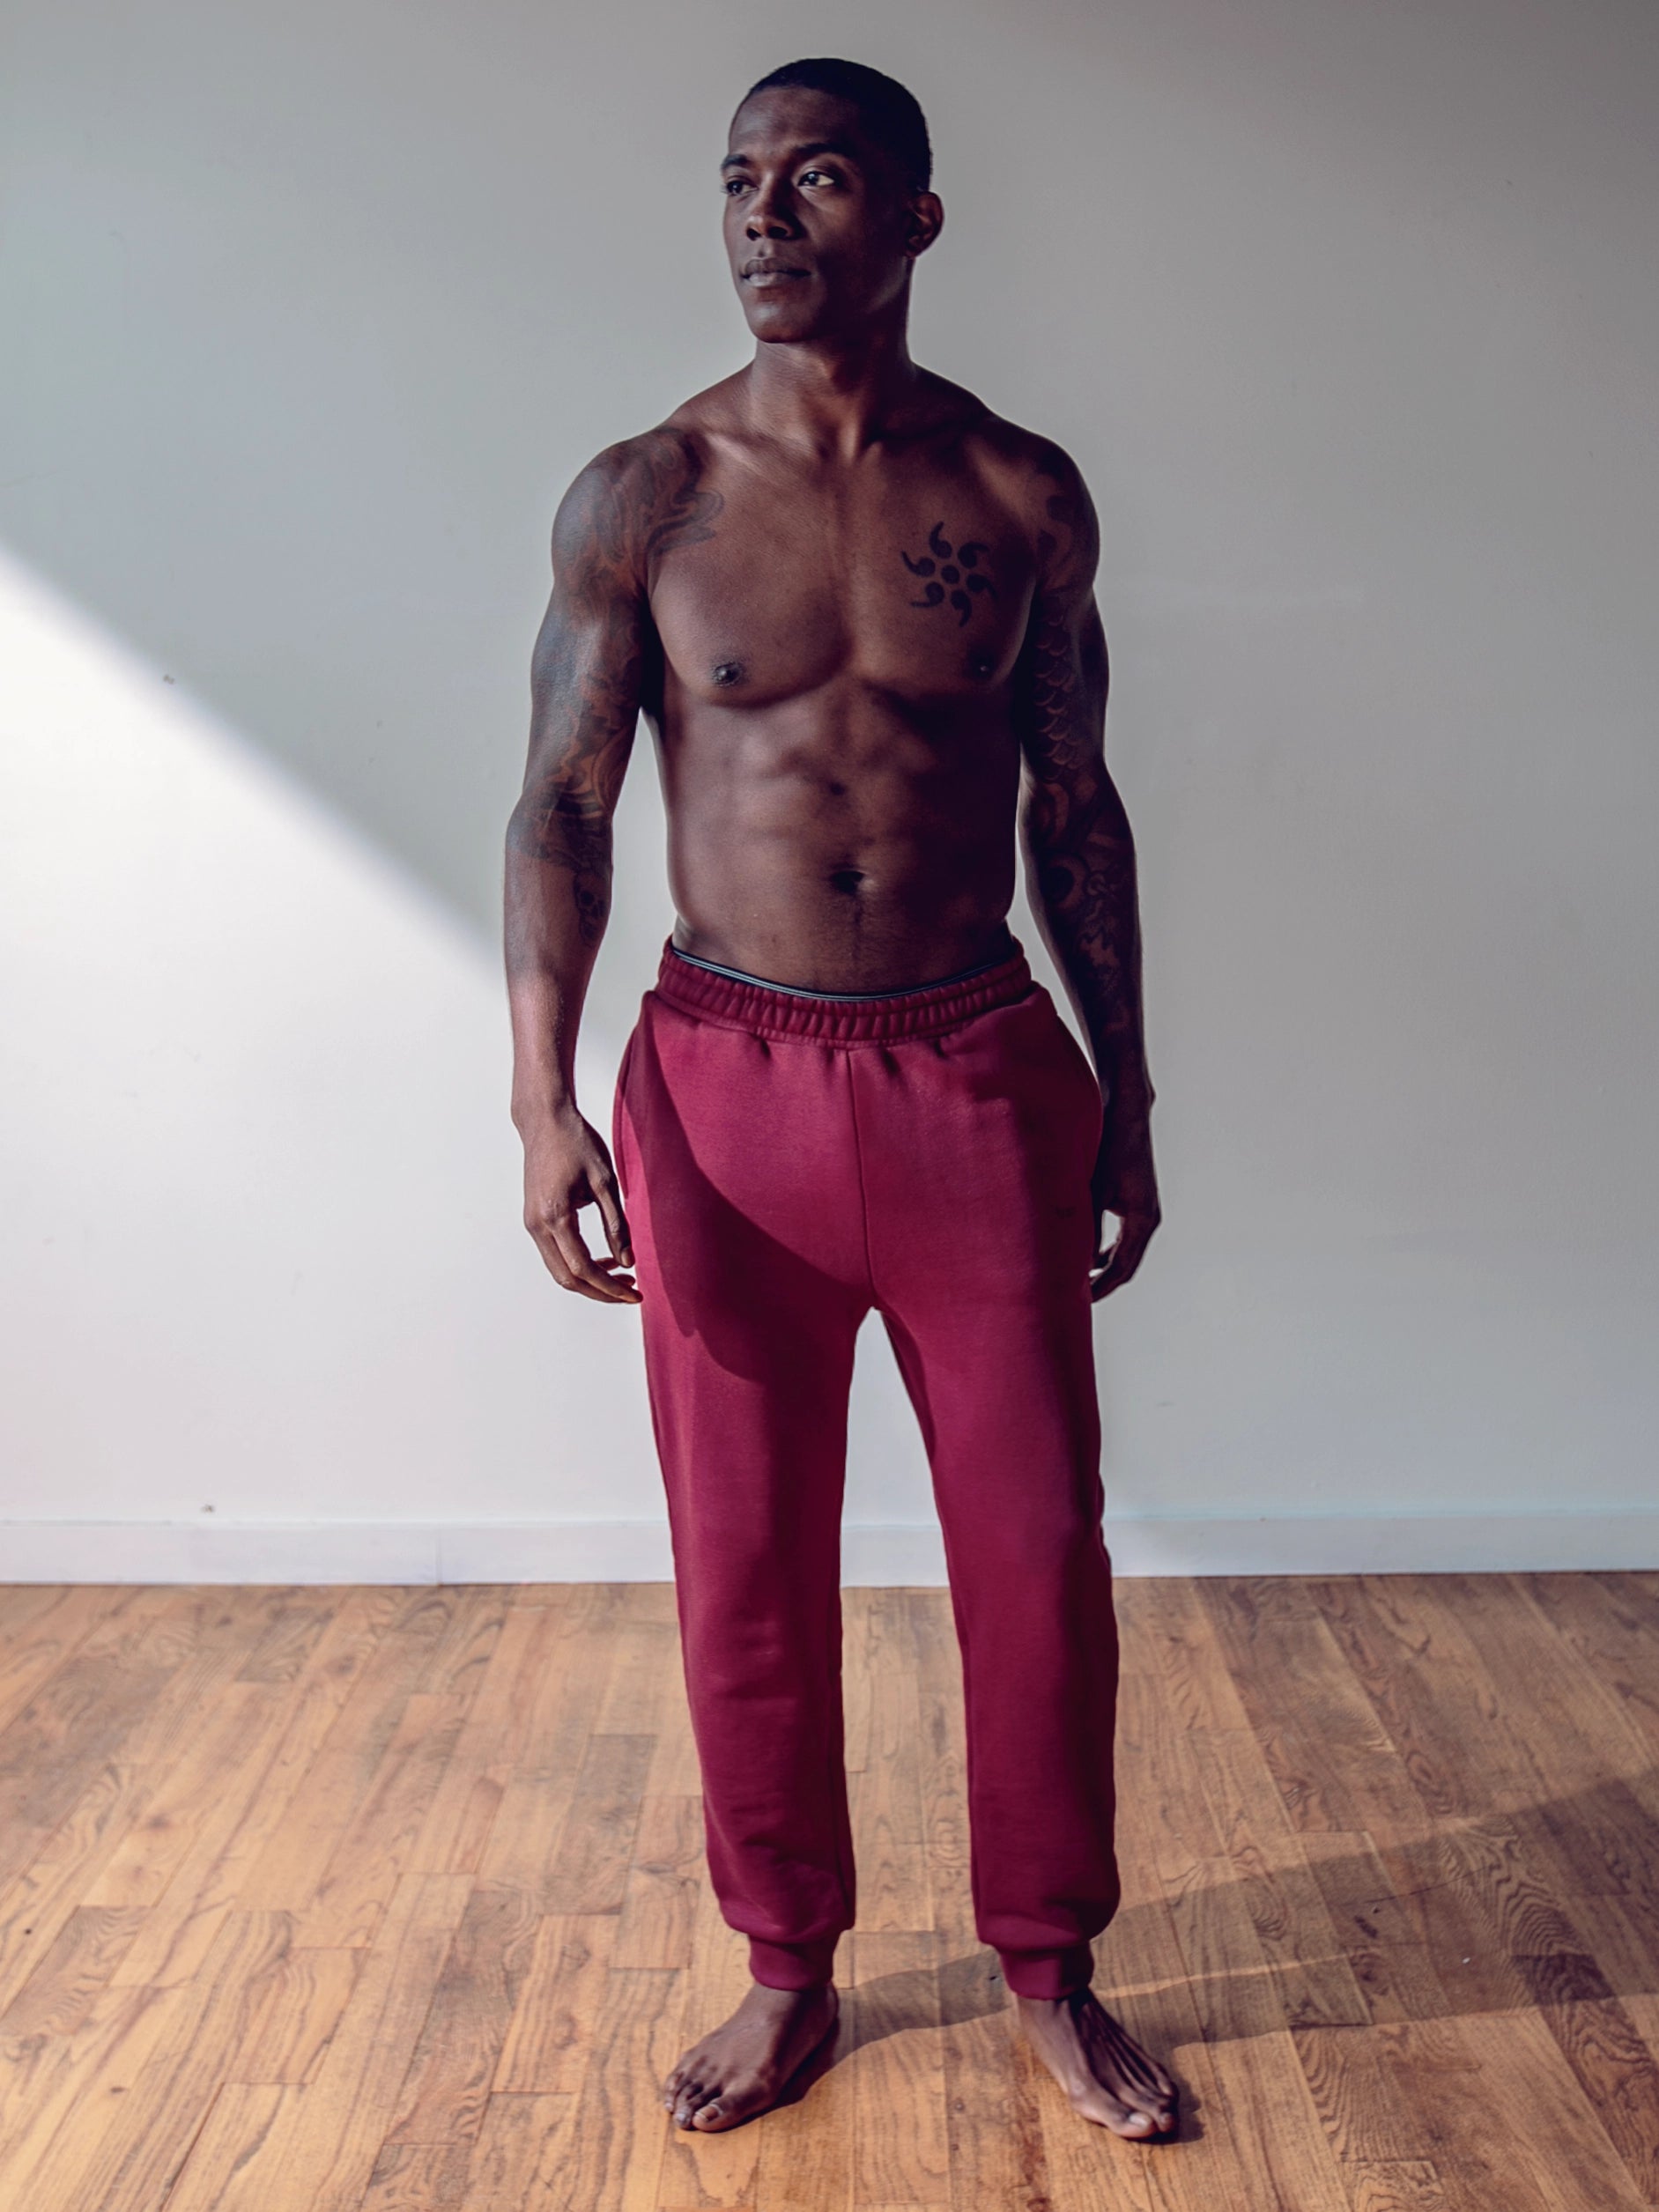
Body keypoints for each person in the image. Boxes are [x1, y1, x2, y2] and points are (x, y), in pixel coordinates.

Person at [504, 55, 1174, 2142]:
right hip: (724, 1077)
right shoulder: (648, 496)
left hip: (976, 1064)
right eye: (739, 181)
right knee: (745, 1551)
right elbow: (563, 801)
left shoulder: (1017, 494)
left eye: (817, 179)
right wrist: (539, 1098)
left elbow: (1078, 804)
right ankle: (788, 1965)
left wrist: (1128, 1091)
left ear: (915, 220)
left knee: (1035, 1542)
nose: (766, 214)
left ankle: (1051, 1965)